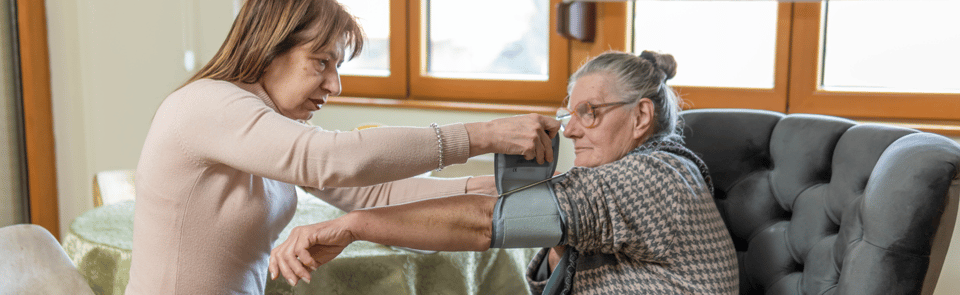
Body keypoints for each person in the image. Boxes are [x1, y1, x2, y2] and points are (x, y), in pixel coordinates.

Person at [125, 0, 560, 293]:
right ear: (270, 48)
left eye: (338, 66)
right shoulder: (206, 103)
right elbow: (332, 161)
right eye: (322, 62)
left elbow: (376, 194)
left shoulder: (263, 124)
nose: (334, 85)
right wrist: (484, 135)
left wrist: (493, 190)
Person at [269, 51, 740, 294]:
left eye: (591, 112)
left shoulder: (656, 179)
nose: (571, 131)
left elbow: (482, 221)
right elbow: (485, 205)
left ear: (641, 118)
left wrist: (352, 228)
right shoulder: (609, 190)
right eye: (570, 113)